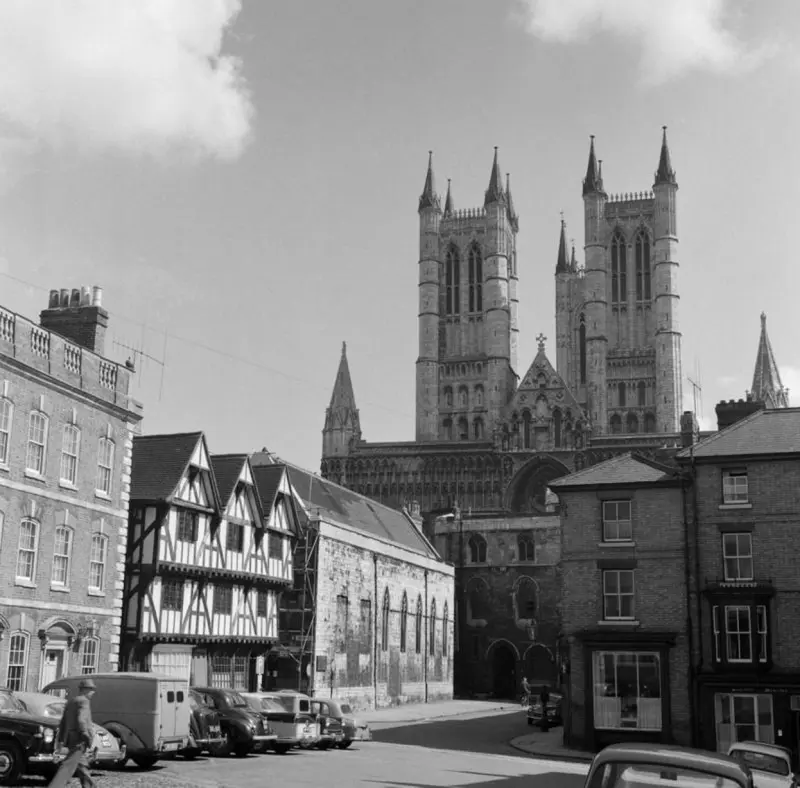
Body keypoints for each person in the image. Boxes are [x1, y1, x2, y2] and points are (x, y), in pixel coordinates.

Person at [48, 678, 97, 788]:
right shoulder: (84, 701)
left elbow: (63, 722)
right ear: (86, 690)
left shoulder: (71, 701)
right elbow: (81, 720)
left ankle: (89, 786)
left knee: (81, 765)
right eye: (92, 689)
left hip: (70, 738)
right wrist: (86, 735)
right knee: (67, 766)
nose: (93, 692)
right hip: (79, 739)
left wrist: (61, 740)